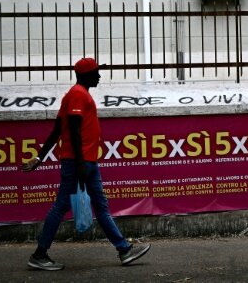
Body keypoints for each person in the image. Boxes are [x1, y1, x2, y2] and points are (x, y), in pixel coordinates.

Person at [22, 57, 151, 270]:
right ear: (85, 75)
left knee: (101, 207)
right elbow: (73, 130)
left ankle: (124, 250)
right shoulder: (78, 95)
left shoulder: (77, 95)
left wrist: (39, 157)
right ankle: (39, 254)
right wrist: (80, 163)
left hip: (87, 162)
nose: (99, 76)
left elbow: (56, 131)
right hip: (78, 163)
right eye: (95, 72)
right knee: (61, 206)